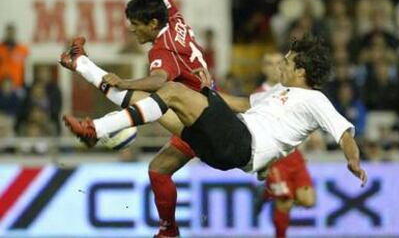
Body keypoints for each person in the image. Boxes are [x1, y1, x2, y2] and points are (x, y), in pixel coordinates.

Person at [63, 35, 368, 191]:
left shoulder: (315, 100)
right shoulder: (279, 92)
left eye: (287, 61)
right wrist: (208, 93)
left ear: (301, 70)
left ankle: (98, 130)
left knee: (170, 91)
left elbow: (344, 134)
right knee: (149, 99)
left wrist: (353, 160)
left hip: (240, 143)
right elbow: (239, 104)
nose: (281, 64)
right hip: (224, 146)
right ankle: (81, 63)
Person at [60, 0, 210, 237]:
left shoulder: (164, 49)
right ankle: (168, 231)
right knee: (158, 170)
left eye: (136, 25)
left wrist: (125, 81)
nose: (132, 30)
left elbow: (158, 80)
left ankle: (83, 77)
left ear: (152, 24)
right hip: (199, 107)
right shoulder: (172, 18)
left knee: (139, 96)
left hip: (199, 119)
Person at [254, 52, 315, 238]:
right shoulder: (258, 95)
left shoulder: (296, 90)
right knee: (285, 202)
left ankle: (266, 193)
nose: (274, 67)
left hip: (295, 156)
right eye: (269, 63)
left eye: (278, 63)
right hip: (274, 159)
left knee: (308, 201)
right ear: (263, 68)